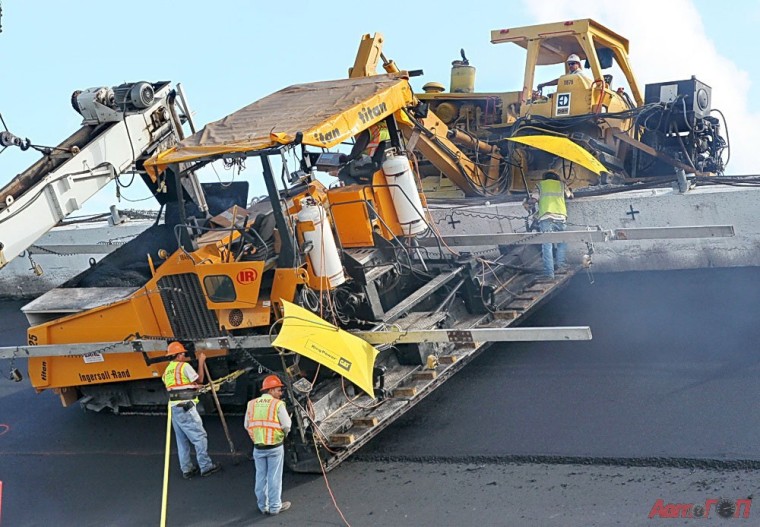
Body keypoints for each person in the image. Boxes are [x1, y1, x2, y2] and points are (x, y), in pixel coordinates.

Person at [161, 341, 222, 479]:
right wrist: (201, 361)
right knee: (199, 436)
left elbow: (177, 388)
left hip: (174, 408)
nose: (184, 356)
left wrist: (192, 388)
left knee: (181, 440)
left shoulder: (167, 371)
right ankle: (205, 466)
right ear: (177, 355)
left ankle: (187, 469)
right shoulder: (184, 367)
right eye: (182, 354)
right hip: (186, 407)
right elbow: (200, 379)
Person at [245, 374, 292, 516]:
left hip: (258, 447)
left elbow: (247, 425)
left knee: (260, 477)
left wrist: (256, 437)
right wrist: (284, 434)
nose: (280, 393)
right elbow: (286, 424)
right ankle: (275, 506)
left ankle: (263, 506)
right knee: (274, 477)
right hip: (275, 447)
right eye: (278, 390)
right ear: (270, 390)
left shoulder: (251, 404)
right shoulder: (278, 404)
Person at [525, 171, 572, 278]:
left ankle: (549, 273)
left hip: (546, 217)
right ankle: (561, 266)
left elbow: (533, 200)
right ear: (556, 177)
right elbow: (570, 196)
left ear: (544, 177)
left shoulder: (540, 185)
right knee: (562, 242)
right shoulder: (561, 185)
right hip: (561, 217)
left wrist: (528, 200)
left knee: (547, 245)